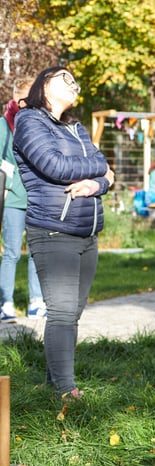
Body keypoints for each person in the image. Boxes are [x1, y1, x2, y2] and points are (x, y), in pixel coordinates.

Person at [13, 66, 115, 400]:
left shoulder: (75, 126)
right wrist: (101, 171)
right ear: (44, 84)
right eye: (65, 78)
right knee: (61, 312)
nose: (74, 84)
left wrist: (95, 183)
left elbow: (105, 171)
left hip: (87, 232)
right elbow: (54, 166)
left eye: (75, 80)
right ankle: (66, 389)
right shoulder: (30, 121)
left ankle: (51, 380)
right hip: (54, 231)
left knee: (72, 313)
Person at [1, 76, 46, 323]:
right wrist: (6, 186)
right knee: (11, 252)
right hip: (13, 199)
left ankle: (36, 302)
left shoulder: (40, 123)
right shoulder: (3, 125)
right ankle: (5, 302)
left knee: (36, 252)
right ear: (18, 96)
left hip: (38, 198)